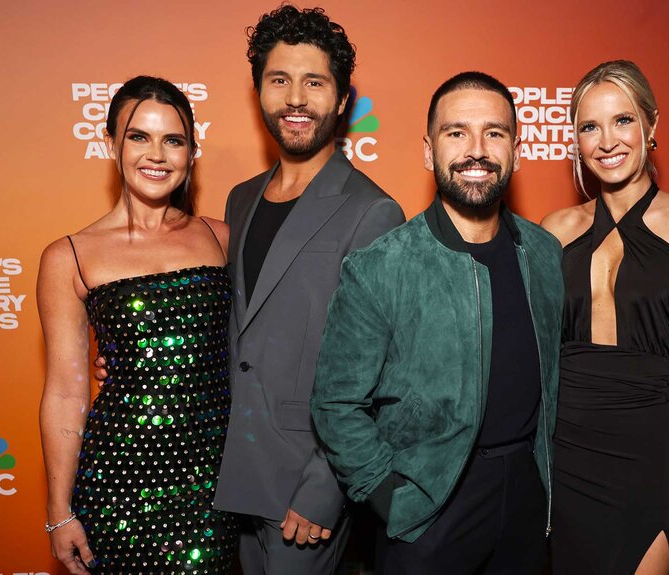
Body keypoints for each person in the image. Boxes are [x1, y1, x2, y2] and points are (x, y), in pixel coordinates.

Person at [310, 72, 564, 575]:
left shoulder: (545, 253)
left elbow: (563, 371)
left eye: (495, 132)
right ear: (429, 151)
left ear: (516, 147)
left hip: (528, 499)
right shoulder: (380, 266)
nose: (477, 150)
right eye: (456, 133)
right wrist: (390, 497)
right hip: (428, 506)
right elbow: (335, 403)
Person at [211, 5, 405, 574]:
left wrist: (326, 487)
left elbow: (381, 369)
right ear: (259, 93)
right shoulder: (241, 199)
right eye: (279, 80)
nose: (295, 98)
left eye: (314, 82)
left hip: (305, 488)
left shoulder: (373, 210)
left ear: (342, 100)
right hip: (233, 473)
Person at [38, 76, 237, 574]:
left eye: (174, 140)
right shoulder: (70, 257)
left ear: (192, 152)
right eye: (138, 136)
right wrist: (59, 513)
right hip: (118, 483)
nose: (158, 154)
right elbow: (65, 391)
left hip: (210, 483)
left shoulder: (221, 237)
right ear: (111, 144)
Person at [540, 60, 669, 574]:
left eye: (622, 120)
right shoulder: (554, 230)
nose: (607, 141)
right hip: (568, 446)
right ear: (575, 140)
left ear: (652, 125)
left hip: (654, 446)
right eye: (589, 126)